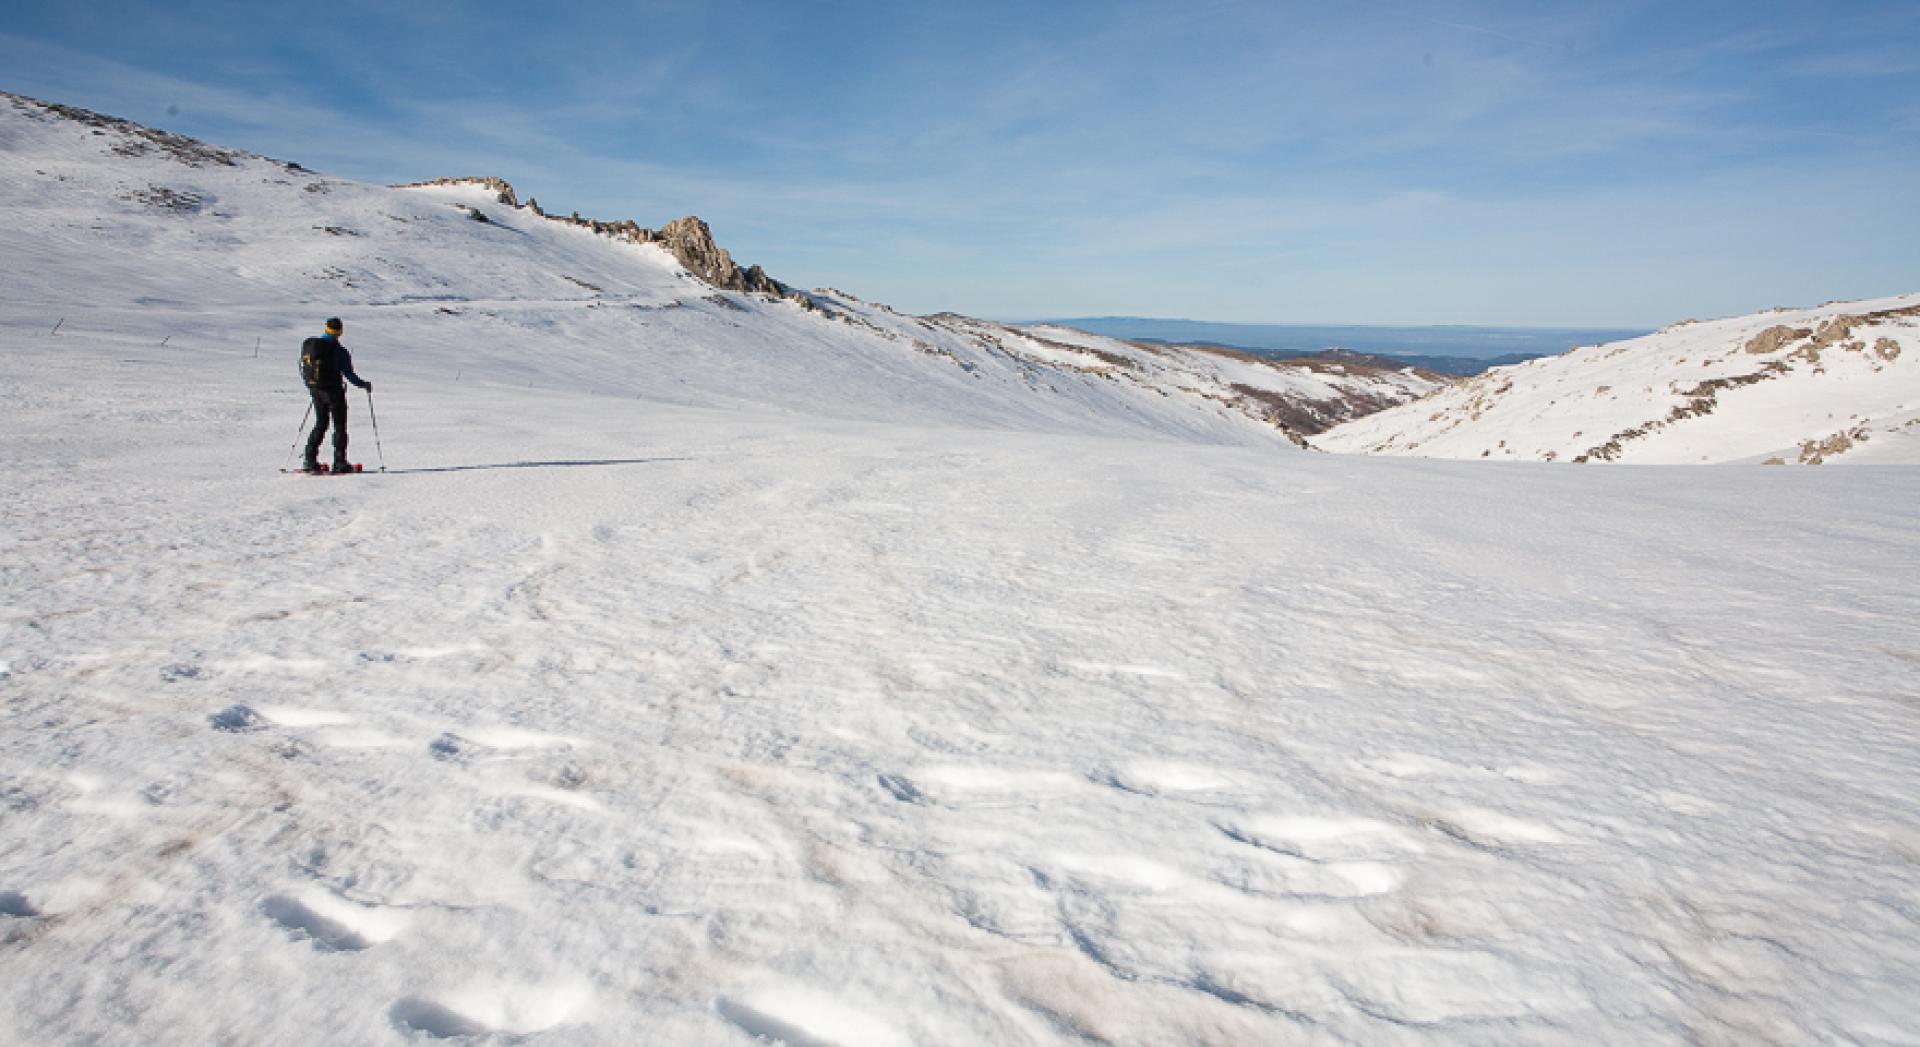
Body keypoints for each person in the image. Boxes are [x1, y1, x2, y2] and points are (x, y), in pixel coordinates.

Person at [298, 317, 373, 472]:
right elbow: (349, 374)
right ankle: (340, 462)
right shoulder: (339, 351)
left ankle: (309, 460)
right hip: (334, 392)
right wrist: (363, 384)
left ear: (326, 329)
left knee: (320, 423)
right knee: (339, 426)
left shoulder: (311, 347)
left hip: (316, 390)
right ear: (340, 332)